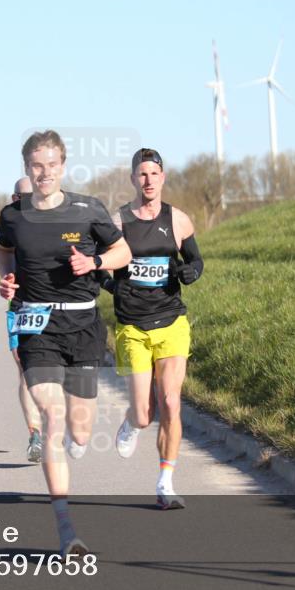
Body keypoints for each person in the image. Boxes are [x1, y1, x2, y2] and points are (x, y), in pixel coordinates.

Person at [0, 130, 131, 555]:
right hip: (38, 326)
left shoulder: (88, 210)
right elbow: (1, 250)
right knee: (52, 419)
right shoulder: (13, 216)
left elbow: (123, 252)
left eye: (52, 165)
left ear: (63, 166)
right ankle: (66, 529)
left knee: (81, 427)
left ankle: (77, 441)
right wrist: (7, 280)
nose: (44, 173)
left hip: (84, 325)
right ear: (26, 169)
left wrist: (94, 261)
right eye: (37, 165)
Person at [110, 148, 204, 510]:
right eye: (142, 174)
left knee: (170, 402)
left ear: (163, 177)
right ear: (133, 179)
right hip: (133, 326)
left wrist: (192, 272)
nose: (148, 180)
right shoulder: (117, 222)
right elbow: (101, 268)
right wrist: (115, 286)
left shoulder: (178, 220)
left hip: (172, 322)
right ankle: (132, 422)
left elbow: (196, 261)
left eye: (154, 173)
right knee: (145, 412)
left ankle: (165, 482)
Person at [0, 177, 44, 462]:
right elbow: (1, 260)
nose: (26, 203)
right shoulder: (7, 227)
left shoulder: (52, 223)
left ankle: (55, 417)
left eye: (32, 197)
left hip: (53, 307)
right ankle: (35, 434)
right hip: (21, 308)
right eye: (20, 197)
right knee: (25, 371)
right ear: (13, 198)